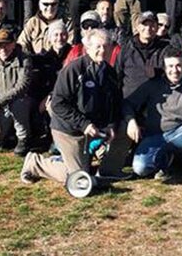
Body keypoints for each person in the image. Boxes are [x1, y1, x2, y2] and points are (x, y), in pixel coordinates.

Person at [20, 29, 128, 186]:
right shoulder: (74, 69)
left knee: (125, 127)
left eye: (106, 46)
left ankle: (109, 170)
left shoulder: (110, 73)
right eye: (98, 46)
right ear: (88, 48)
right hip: (69, 131)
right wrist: (84, 124)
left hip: (94, 128)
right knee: (78, 178)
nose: (102, 50)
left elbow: (115, 103)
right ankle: (35, 162)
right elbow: (58, 103)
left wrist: (112, 125)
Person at [123, 47, 182, 192]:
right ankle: (166, 161)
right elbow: (128, 103)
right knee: (140, 168)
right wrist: (131, 121)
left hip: (181, 136)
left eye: (178, 65)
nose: (175, 70)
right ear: (164, 68)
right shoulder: (152, 85)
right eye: (170, 66)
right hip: (155, 137)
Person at [0, 29, 35, 155]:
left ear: (13, 44)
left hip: (21, 103)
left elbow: (22, 87)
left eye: (7, 44)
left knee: (18, 103)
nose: (3, 48)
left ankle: (24, 138)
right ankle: (8, 135)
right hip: (1, 108)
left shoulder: (24, 59)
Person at [116, 11, 169, 99]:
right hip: (130, 101)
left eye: (152, 25)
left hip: (157, 101)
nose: (148, 28)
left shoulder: (165, 49)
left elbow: (173, 73)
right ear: (138, 27)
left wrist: (156, 73)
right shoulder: (126, 49)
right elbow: (117, 75)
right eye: (145, 25)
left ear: (157, 28)